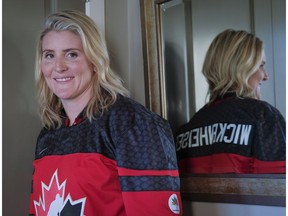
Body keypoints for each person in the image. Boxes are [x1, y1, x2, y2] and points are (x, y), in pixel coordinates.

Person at [29, 10, 182, 216]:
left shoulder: (133, 124)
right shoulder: (48, 133)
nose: (59, 67)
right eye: (49, 55)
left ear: (94, 61)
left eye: (71, 54)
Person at [176, 29, 286, 174]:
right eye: (261, 65)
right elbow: (279, 188)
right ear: (242, 67)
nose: (266, 76)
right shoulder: (263, 116)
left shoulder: (187, 129)